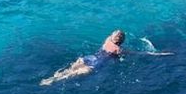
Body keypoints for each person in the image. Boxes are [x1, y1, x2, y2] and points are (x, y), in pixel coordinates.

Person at [40, 29, 172, 86]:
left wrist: (116, 34)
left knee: (68, 70)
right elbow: (142, 54)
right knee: (69, 76)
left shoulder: (107, 41)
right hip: (94, 65)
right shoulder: (119, 50)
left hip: (87, 58)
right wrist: (161, 54)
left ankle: (51, 78)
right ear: (121, 42)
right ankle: (51, 81)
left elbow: (113, 34)